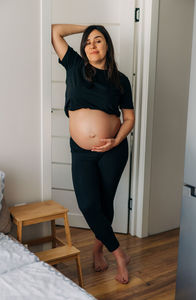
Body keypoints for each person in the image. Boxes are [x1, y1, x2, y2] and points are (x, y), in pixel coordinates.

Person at [51, 24, 135, 284]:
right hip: (82, 152)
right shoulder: (75, 66)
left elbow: (129, 118)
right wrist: (88, 26)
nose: (92, 44)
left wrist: (115, 141)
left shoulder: (120, 80)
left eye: (98, 40)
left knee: (104, 204)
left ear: (107, 45)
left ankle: (98, 249)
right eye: (88, 41)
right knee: (88, 204)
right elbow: (55, 31)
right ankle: (119, 254)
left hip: (114, 150)